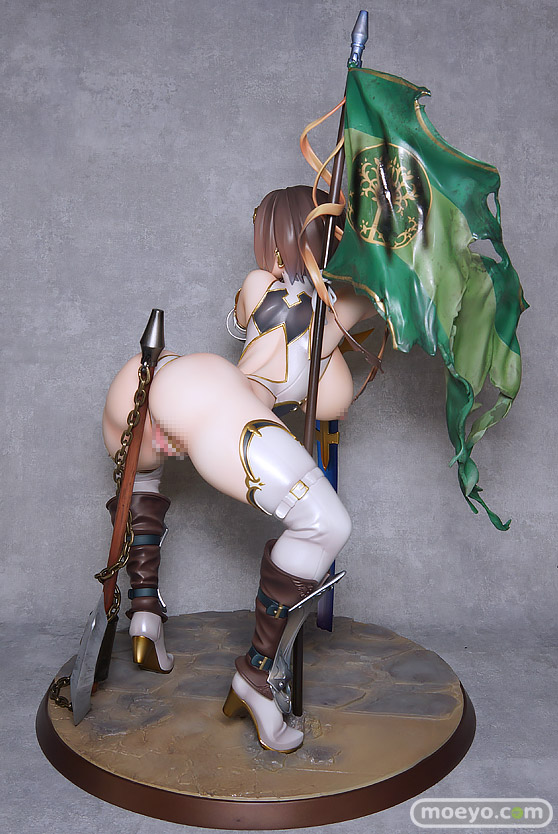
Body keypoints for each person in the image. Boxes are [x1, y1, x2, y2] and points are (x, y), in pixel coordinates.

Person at [102, 185, 377, 752]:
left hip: (158, 377)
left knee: (142, 475)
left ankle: (144, 612)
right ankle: (255, 678)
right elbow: (340, 377)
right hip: (217, 406)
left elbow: (271, 328)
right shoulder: (335, 310)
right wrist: (363, 287)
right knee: (327, 524)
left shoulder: (256, 290)